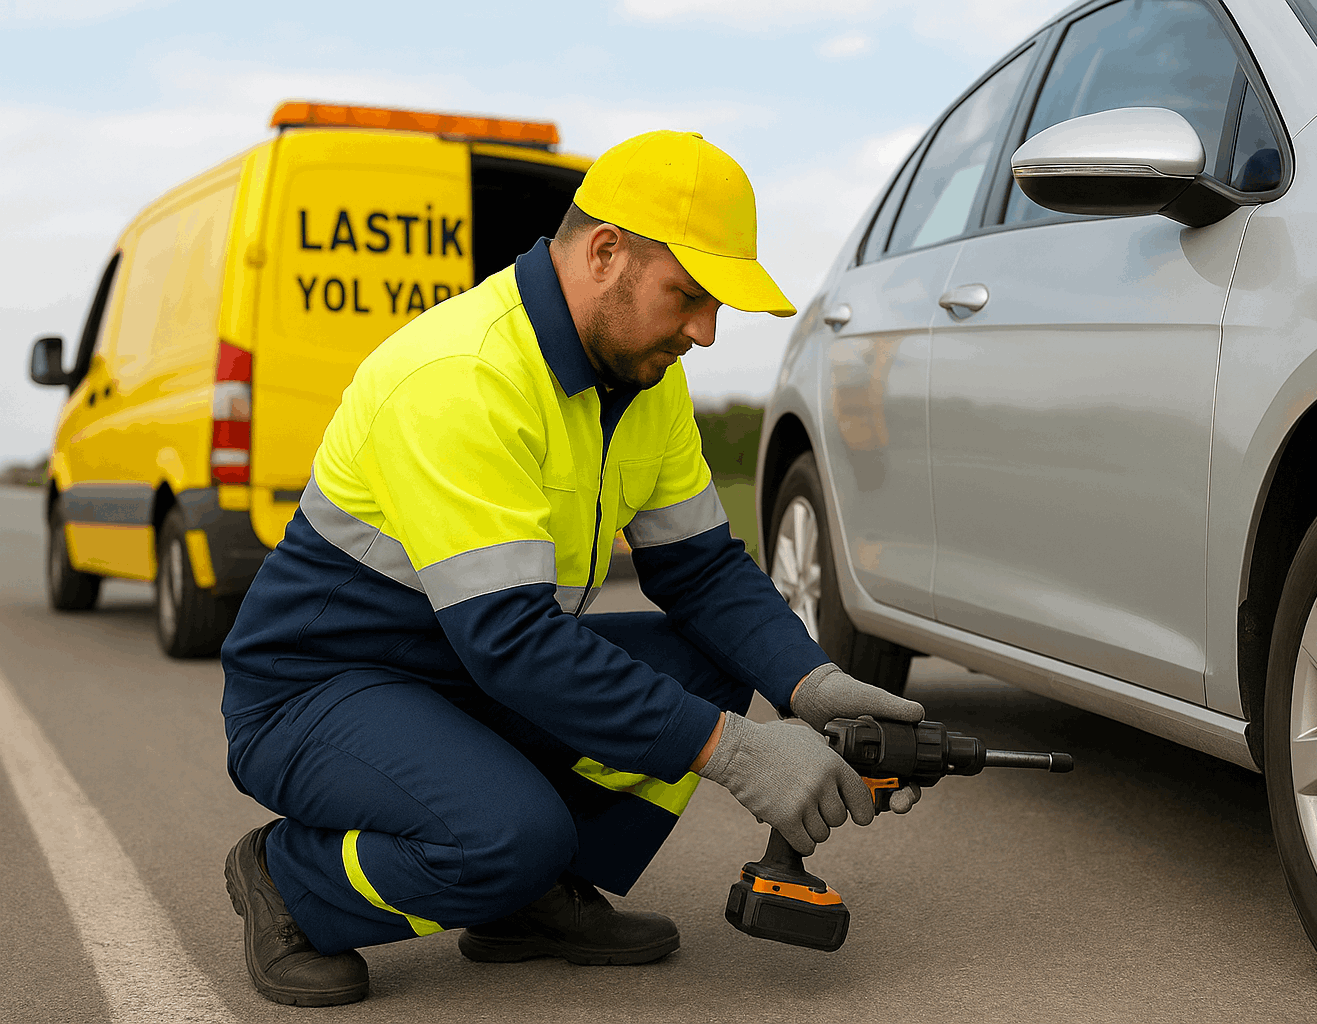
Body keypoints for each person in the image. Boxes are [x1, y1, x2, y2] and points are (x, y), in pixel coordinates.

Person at [218, 129, 925, 1007]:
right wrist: (737, 752)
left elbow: (701, 572)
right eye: (691, 295)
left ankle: (528, 904)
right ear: (604, 252)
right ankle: (294, 881)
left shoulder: (643, 379)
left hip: (459, 671)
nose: (705, 332)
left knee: (709, 660)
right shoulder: (461, 376)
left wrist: (811, 682)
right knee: (505, 834)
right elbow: (512, 642)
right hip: (318, 692)